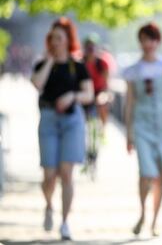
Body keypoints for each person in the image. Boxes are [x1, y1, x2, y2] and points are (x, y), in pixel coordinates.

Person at [31, 17, 94, 240]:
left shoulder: (77, 66)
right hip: (48, 119)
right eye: (52, 38)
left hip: (71, 121)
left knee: (66, 174)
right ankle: (49, 205)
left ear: (68, 40)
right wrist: (50, 60)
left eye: (59, 38)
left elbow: (89, 94)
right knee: (49, 175)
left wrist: (72, 96)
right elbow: (37, 83)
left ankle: (65, 222)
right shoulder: (42, 64)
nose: (56, 42)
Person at [123, 22, 162, 236]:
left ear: (157, 41)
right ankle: (142, 213)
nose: (147, 43)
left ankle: (154, 221)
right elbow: (130, 102)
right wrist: (128, 133)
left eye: (151, 39)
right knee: (146, 173)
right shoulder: (133, 70)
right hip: (141, 124)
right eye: (144, 39)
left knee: (160, 175)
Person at [82, 34, 110, 127]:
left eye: (93, 47)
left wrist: (105, 94)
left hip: (99, 91)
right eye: (88, 47)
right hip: (85, 92)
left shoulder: (102, 63)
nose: (91, 50)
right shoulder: (81, 63)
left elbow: (106, 83)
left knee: (102, 102)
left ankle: (103, 128)